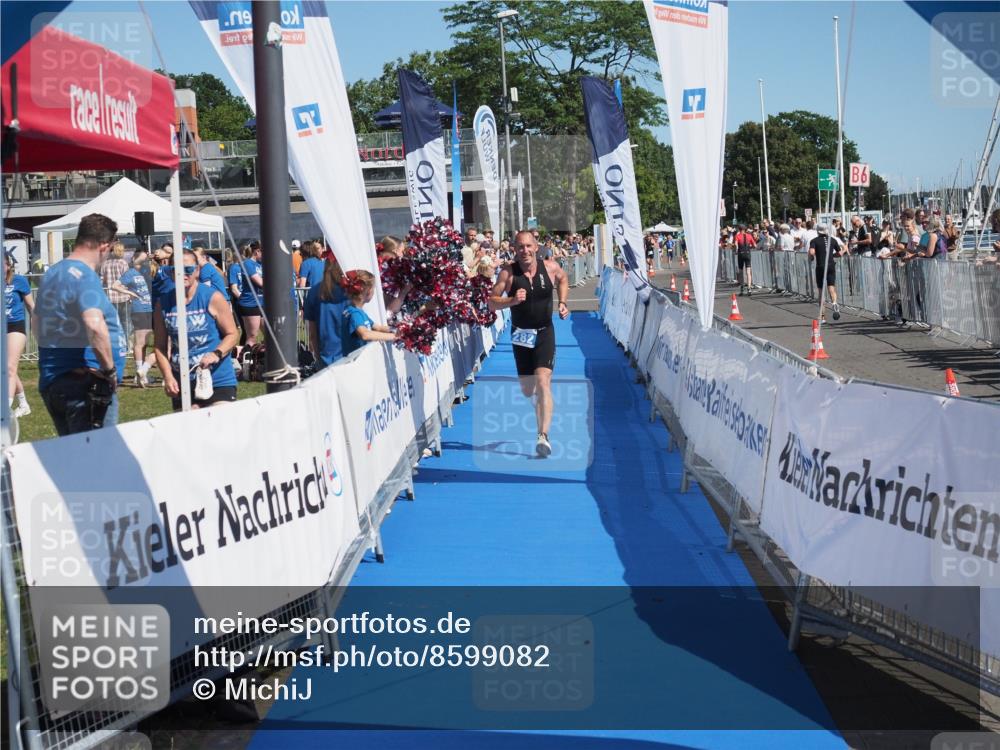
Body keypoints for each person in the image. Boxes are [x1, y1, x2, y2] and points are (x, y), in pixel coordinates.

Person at [34, 213, 126, 435]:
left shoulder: (52, 273)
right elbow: (95, 325)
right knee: (96, 460)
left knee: (76, 459)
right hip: (85, 384)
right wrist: (109, 370)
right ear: (104, 246)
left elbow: (36, 324)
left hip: (56, 380)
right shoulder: (84, 275)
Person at [489, 230, 569, 458]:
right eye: (520, 247)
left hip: (545, 332)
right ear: (514, 249)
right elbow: (491, 303)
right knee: (528, 389)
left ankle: (543, 436)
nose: (524, 251)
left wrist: (562, 302)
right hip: (521, 335)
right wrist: (512, 300)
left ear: (536, 247)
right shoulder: (508, 273)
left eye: (528, 246)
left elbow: (563, 279)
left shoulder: (550, 267)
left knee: (543, 381)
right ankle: (540, 408)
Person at [153, 248, 239, 410]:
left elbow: (232, 334)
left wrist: (216, 353)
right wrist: (168, 376)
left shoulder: (213, 297)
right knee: (189, 432)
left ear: (197, 270)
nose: (183, 274)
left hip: (216, 379)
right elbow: (160, 346)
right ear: (170, 272)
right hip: (183, 381)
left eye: (188, 269)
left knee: (218, 428)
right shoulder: (162, 304)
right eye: (176, 270)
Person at [112, 251, 157, 387]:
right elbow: (115, 285)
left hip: (151, 309)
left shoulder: (146, 271)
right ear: (134, 259)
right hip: (139, 310)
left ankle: (142, 373)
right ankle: (140, 374)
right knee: (140, 342)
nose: (144, 260)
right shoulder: (130, 273)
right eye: (142, 258)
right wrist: (129, 292)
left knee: (147, 342)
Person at [304, 255, 348, 369]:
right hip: (349, 355)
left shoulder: (313, 291)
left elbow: (312, 333)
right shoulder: (349, 291)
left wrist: (318, 358)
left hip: (325, 357)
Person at [5, 251, 34, 416]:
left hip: (15, 326)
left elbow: (31, 307)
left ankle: (5, 409)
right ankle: (23, 404)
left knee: (9, 367)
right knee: (8, 369)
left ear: (8, 265)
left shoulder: (19, 281)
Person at [340, 270, 395, 356]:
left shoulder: (357, 311)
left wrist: (397, 330)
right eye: (373, 289)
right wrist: (393, 337)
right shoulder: (354, 313)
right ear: (369, 292)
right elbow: (365, 334)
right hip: (356, 363)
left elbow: (378, 328)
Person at [809, 224, 843, 321]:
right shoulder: (833, 240)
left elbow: (811, 252)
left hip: (820, 267)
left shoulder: (814, 241)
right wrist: (833, 256)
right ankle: (835, 303)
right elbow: (839, 253)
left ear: (818, 231)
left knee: (821, 291)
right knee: (831, 287)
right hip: (831, 265)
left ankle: (822, 316)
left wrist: (811, 257)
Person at [234, 241, 264, 345]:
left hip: (262, 303)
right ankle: (247, 360)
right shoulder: (247, 264)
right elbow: (260, 283)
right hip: (250, 303)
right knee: (252, 336)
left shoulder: (260, 264)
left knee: (270, 334)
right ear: (257, 251)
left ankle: (263, 358)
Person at [100, 241, 130, 331]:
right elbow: (127, 280)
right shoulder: (123, 263)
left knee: (112, 322)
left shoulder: (105, 264)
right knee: (125, 321)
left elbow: (102, 280)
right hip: (123, 296)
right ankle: (126, 342)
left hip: (110, 297)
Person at [733, 224, 756, 295]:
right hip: (747, 253)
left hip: (741, 254)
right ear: (745, 229)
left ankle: (742, 287)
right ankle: (749, 288)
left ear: (739, 229)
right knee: (748, 271)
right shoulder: (749, 236)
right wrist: (750, 247)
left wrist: (736, 250)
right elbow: (755, 245)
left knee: (740, 271)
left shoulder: (737, 236)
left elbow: (736, 244)